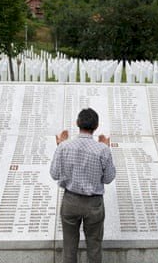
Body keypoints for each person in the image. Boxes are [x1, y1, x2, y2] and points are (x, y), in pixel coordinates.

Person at [50, 108, 116, 263]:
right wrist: (106, 148)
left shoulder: (64, 147)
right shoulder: (103, 150)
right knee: (94, 247)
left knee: (69, 247)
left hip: (70, 201)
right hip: (94, 204)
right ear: (97, 126)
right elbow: (108, 178)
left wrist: (59, 146)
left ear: (77, 123)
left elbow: (54, 174)